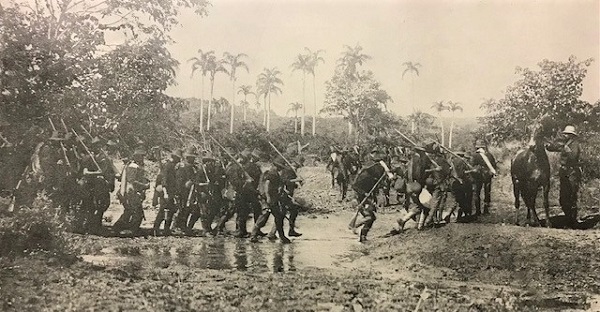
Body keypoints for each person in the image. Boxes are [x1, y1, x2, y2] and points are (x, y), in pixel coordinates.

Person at [250, 156, 291, 244]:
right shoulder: (272, 173)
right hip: (267, 198)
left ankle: (281, 236)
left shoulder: (274, 173)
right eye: (279, 166)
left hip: (273, 198)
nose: (280, 168)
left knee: (278, 216)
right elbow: (267, 185)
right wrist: (268, 197)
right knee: (264, 216)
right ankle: (253, 235)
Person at [546, 125, 582, 225]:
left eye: (567, 134)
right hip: (564, 172)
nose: (565, 135)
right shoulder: (566, 143)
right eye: (565, 134)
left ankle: (572, 221)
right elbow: (554, 147)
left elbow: (573, 157)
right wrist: (549, 146)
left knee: (571, 196)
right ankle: (568, 218)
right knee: (563, 197)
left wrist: (567, 150)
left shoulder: (575, 144)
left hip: (572, 172)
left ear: (571, 135)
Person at [113, 147, 150, 235]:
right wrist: (144, 185)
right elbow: (131, 181)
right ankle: (132, 229)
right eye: (141, 156)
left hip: (131, 192)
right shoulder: (133, 166)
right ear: (136, 157)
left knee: (129, 211)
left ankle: (118, 227)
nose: (142, 158)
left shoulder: (133, 166)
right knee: (137, 212)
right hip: (130, 193)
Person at [153, 149, 182, 236]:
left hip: (171, 191)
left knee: (171, 210)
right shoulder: (168, 166)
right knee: (163, 210)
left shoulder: (173, 166)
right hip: (166, 192)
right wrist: (165, 193)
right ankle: (156, 229)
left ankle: (166, 229)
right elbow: (164, 181)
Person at [471, 139, 497, 215]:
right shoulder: (489, 155)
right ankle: (486, 210)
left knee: (476, 193)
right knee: (487, 192)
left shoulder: (475, 155)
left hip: (478, 176)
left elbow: (472, 166)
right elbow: (494, 166)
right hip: (487, 176)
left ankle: (478, 211)